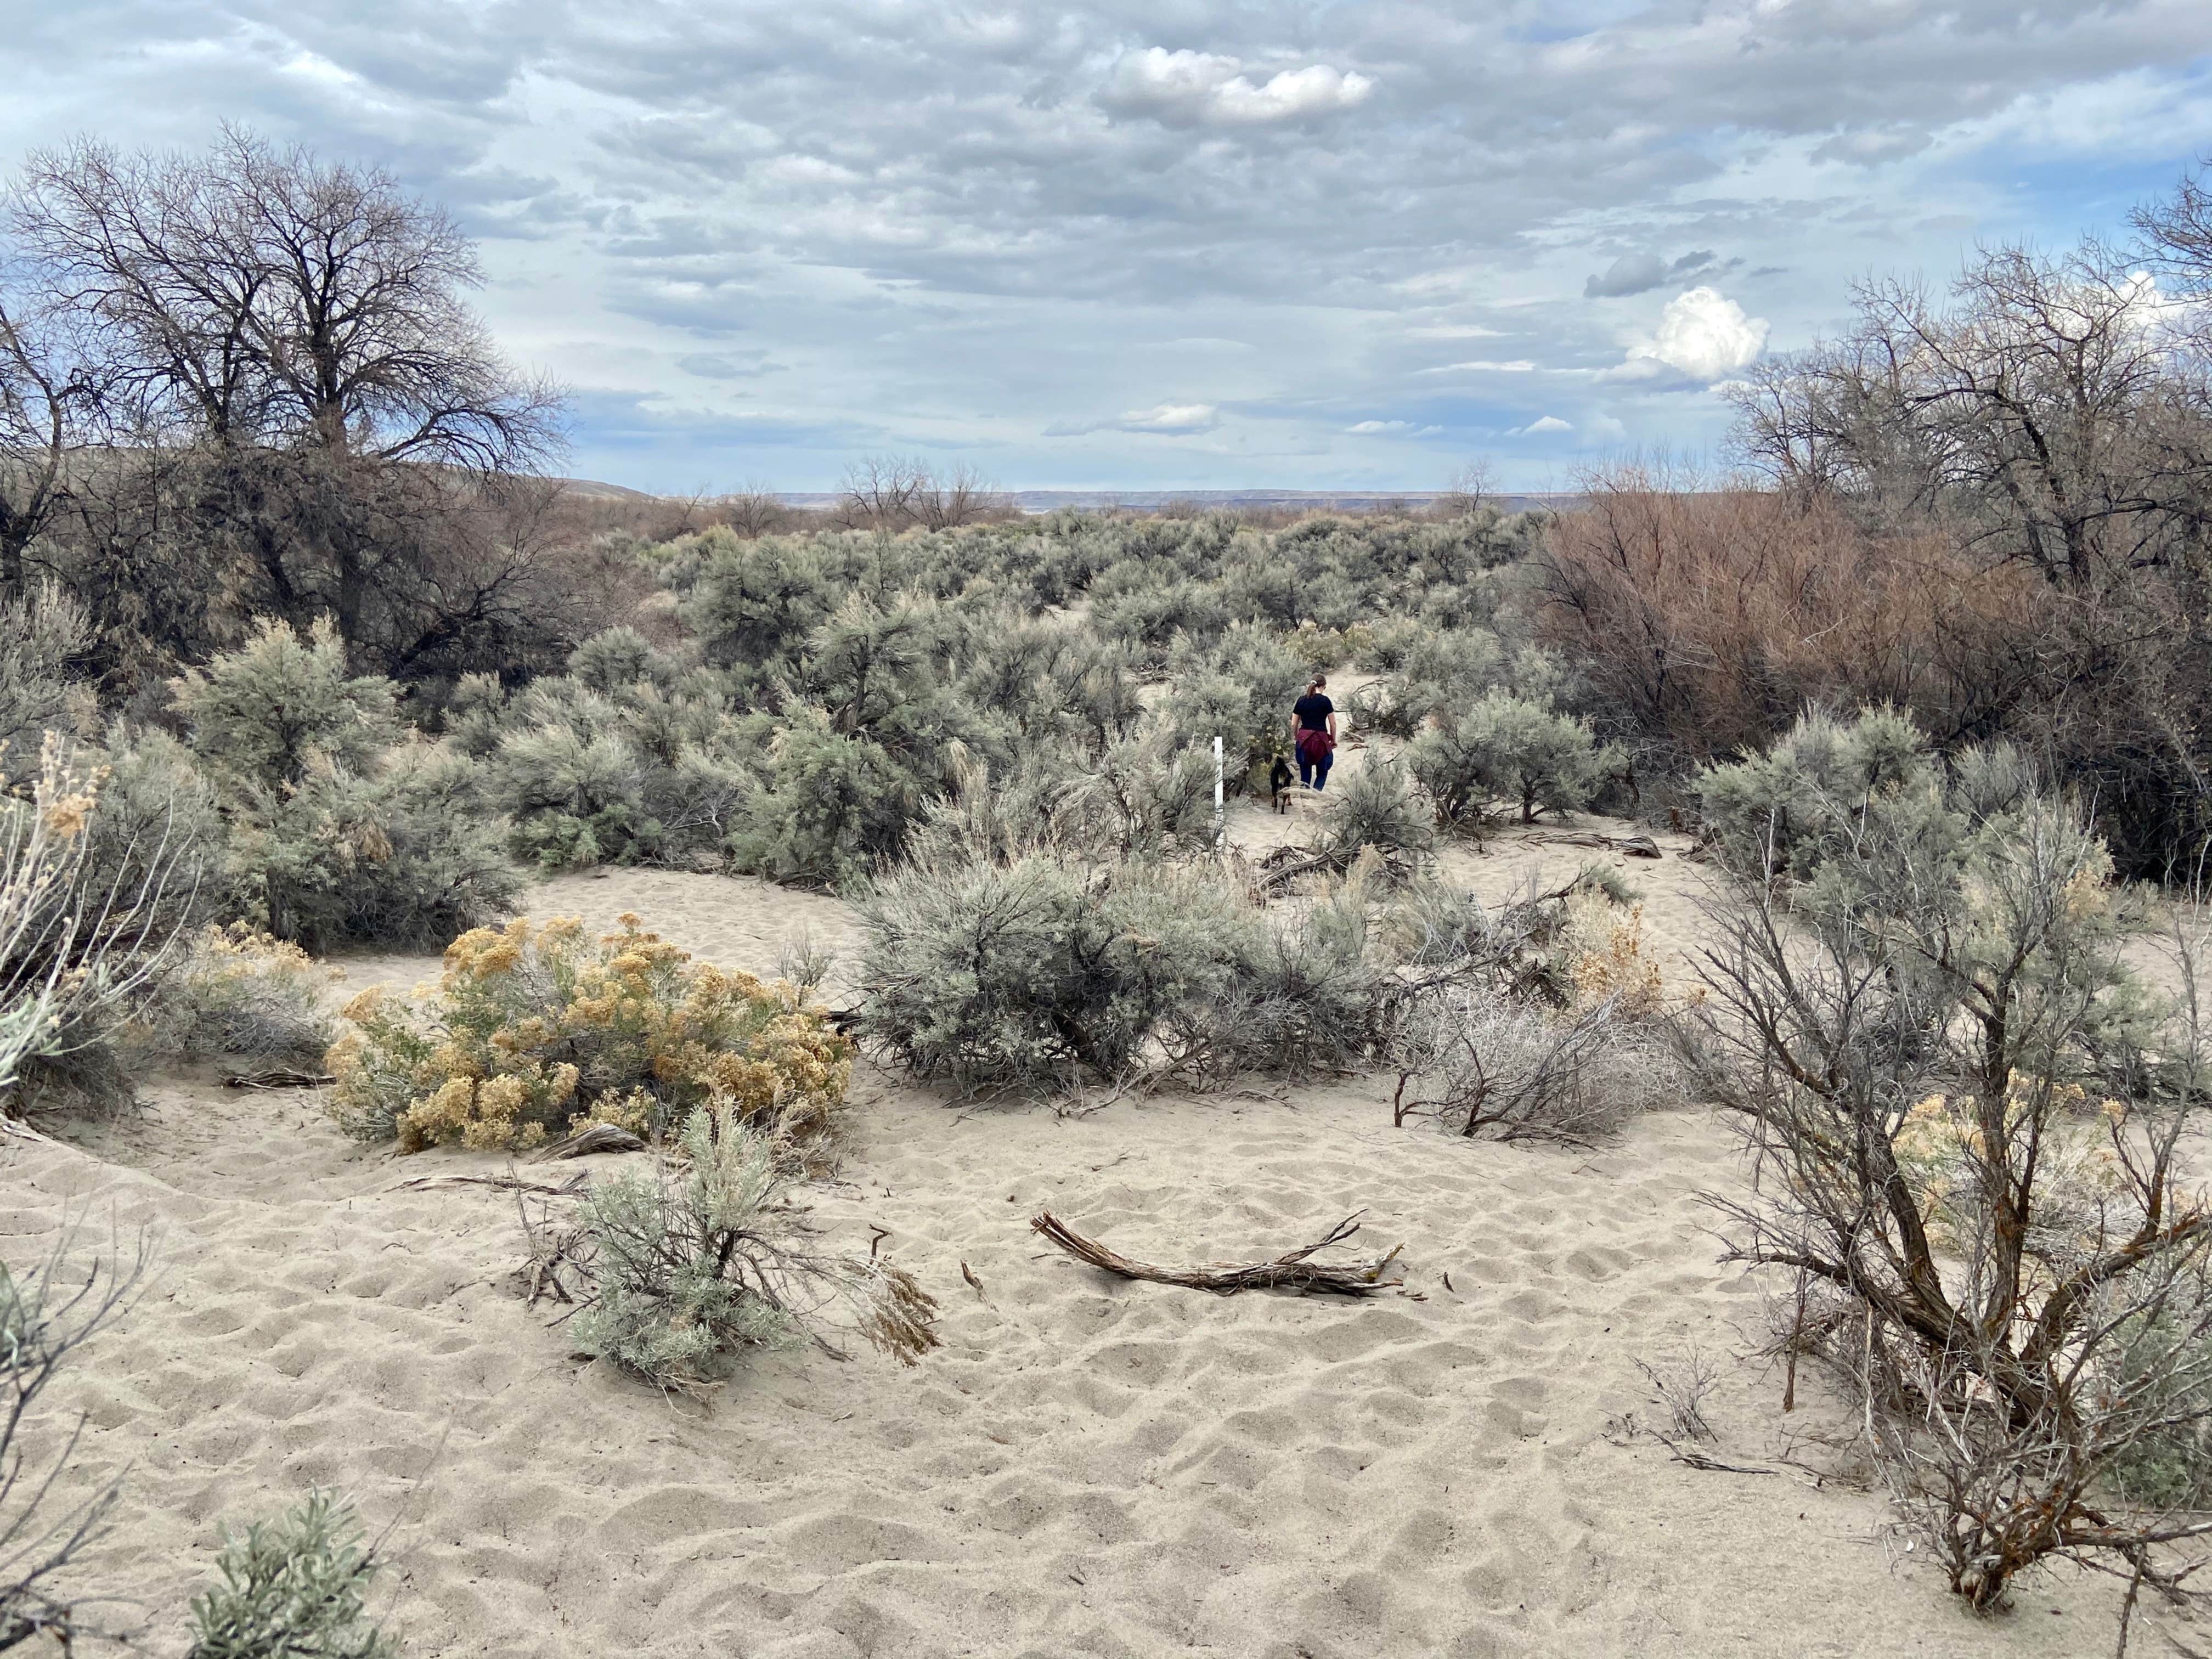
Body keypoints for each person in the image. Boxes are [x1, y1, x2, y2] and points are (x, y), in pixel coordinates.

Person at [1290, 675, 1337, 791]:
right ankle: (1316, 792)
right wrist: (1334, 740)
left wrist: (1297, 737)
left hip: (1304, 740)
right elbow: (1333, 724)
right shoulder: (1325, 701)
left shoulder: (1301, 700)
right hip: (1321, 741)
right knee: (1323, 771)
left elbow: (1293, 724)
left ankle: (1306, 793)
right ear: (1323, 687)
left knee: (1305, 774)